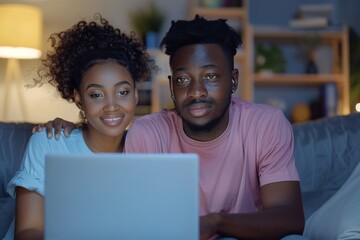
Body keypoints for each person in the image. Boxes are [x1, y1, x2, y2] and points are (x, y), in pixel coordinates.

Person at [34, 15, 305, 239]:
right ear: (172, 84)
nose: (196, 91)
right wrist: (77, 129)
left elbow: (289, 216)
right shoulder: (147, 132)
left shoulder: (266, 124)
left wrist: (215, 223)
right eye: (184, 79)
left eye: (210, 77)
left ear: (233, 80)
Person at [4, 14, 151, 240]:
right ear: (79, 98)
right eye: (96, 94)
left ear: (135, 95)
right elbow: (28, 232)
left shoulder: (148, 149)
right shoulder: (49, 143)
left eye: (122, 92)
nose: (112, 106)